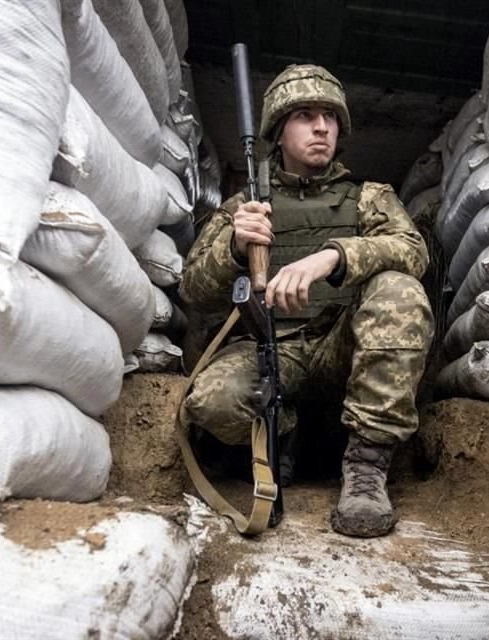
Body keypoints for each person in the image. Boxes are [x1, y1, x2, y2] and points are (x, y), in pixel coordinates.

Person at [179, 64, 433, 538]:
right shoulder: (243, 208)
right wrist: (233, 248)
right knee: (212, 402)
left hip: (346, 347)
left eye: (330, 117)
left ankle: (365, 472)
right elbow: (192, 289)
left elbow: (413, 250)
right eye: (305, 115)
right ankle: (292, 435)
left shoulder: (368, 198)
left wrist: (332, 257)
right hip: (274, 349)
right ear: (278, 131)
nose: (321, 127)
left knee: (400, 291)